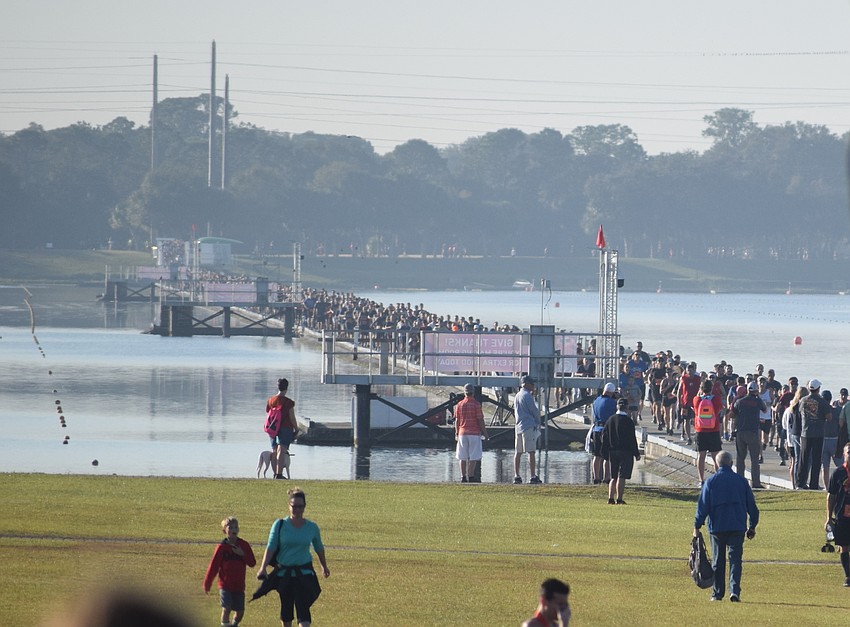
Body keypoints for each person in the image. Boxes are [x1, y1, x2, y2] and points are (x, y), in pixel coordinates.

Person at [257, 487, 330, 627]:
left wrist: (324, 566)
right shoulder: (280, 525)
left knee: (303, 609)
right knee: (286, 611)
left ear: (305, 506)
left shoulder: (312, 527)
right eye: (294, 506)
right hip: (284, 575)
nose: (297, 510)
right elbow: (271, 547)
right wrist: (263, 568)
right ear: (288, 506)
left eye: (300, 506)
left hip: (304, 574)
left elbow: (319, 547)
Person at [694, 450, 759, 602]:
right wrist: (752, 525)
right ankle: (734, 591)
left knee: (718, 561)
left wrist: (697, 525)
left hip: (717, 527)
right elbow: (752, 507)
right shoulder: (741, 481)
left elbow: (703, 506)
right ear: (731, 463)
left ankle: (717, 593)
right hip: (737, 526)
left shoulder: (711, 482)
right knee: (736, 560)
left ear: (716, 464)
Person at [203, 516, 257, 627]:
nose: (234, 529)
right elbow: (213, 566)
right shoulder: (221, 548)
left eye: (236, 527)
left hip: (239, 586)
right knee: (226, 608)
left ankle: (234, 624)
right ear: (224, 531)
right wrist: (207, 583)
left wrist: (242, 555)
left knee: (240, 612)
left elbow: (252, 563)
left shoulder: (244, 545)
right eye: (230, 527)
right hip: (225, 585)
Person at [601, 397, 641, 504]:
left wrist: (605, 452)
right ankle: (619, 498)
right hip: (626, 452)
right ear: (627, 408)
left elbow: (604, 437)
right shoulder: (629, 422)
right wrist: (636, 453)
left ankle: (610, 498)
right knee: (622, 476)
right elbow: (632, 439)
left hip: (613, 451)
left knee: (613, 476)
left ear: (617, 406)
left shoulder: (610, 420)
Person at [730, 381, 767, 488]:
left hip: (740, 432)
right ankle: (755, 482)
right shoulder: (757, 401)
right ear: (756, 391)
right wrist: (758, 398)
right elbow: (765, 410)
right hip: (753, 432)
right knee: (754, 459)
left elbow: (732, 414)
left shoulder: (739, 401)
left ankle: (739, 481)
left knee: (740, 458)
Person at [797, 378, 831, 490]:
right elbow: (829, 417)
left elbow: (799, 412)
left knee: (803, 459)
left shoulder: (802, 400)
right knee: (816, 459)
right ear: (818, 389)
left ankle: (800, 483)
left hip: (805, 433)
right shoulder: (822, 402)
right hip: (818, 433)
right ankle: (813, 484)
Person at [826, 442, 850, 587]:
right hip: (842, 515)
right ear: (843, 455)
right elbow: (831, 496)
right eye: (849, 452)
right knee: (844, 546)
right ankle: (848, 576)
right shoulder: (838, 473)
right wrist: (829, 518)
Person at [455, 383, 488, 483]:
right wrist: (485, 434)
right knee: (473, 456)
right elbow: (480, 420)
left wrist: (456, 432)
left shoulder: (459, 404)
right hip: (474, 433)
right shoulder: (476, 404)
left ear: (465, 393)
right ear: (473, 392)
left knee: (462, 456)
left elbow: (457, 420)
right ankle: (471, 476)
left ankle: (463, 477)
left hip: (462, 432)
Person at [694, 379, 723, 487]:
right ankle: (718, 478)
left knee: (701, 456)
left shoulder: (697, 400)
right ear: (711, 388)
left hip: (700, 430)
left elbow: (696, 411)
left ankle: (701, 480)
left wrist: (699, 393)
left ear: (701, 389)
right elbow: (718, 410)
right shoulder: (716, 400)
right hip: (713, 430)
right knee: (716, 457)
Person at [267, 378, 298, 480]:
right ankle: (279, 474)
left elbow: (268, 413)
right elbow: (292, 417)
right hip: (285, 427)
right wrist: (296, 428)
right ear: (287, 388)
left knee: (275, 450)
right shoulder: (288, 402)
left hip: (273, 427)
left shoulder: (271, 400)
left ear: (278, 386)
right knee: (282, 450)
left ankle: (274, 473)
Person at [514, 375, 542, 484]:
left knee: (518, 452)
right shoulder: (527, 395)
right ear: (526, 384)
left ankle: (517, 476)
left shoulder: (517, 395)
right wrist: (538, 420)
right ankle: (533, 476)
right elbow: (534, 411)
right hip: (528, 425)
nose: (534, 385)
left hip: (518, 425)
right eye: (532, 383)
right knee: (531, 451)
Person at [590, 382, 618, 484]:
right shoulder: (613, 403)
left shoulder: (596, 401)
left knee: (596, 455)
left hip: (596, 429)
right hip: (607, 430)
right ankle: (606, 477)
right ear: (612, 393)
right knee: (607, 456)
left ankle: (596, 477)